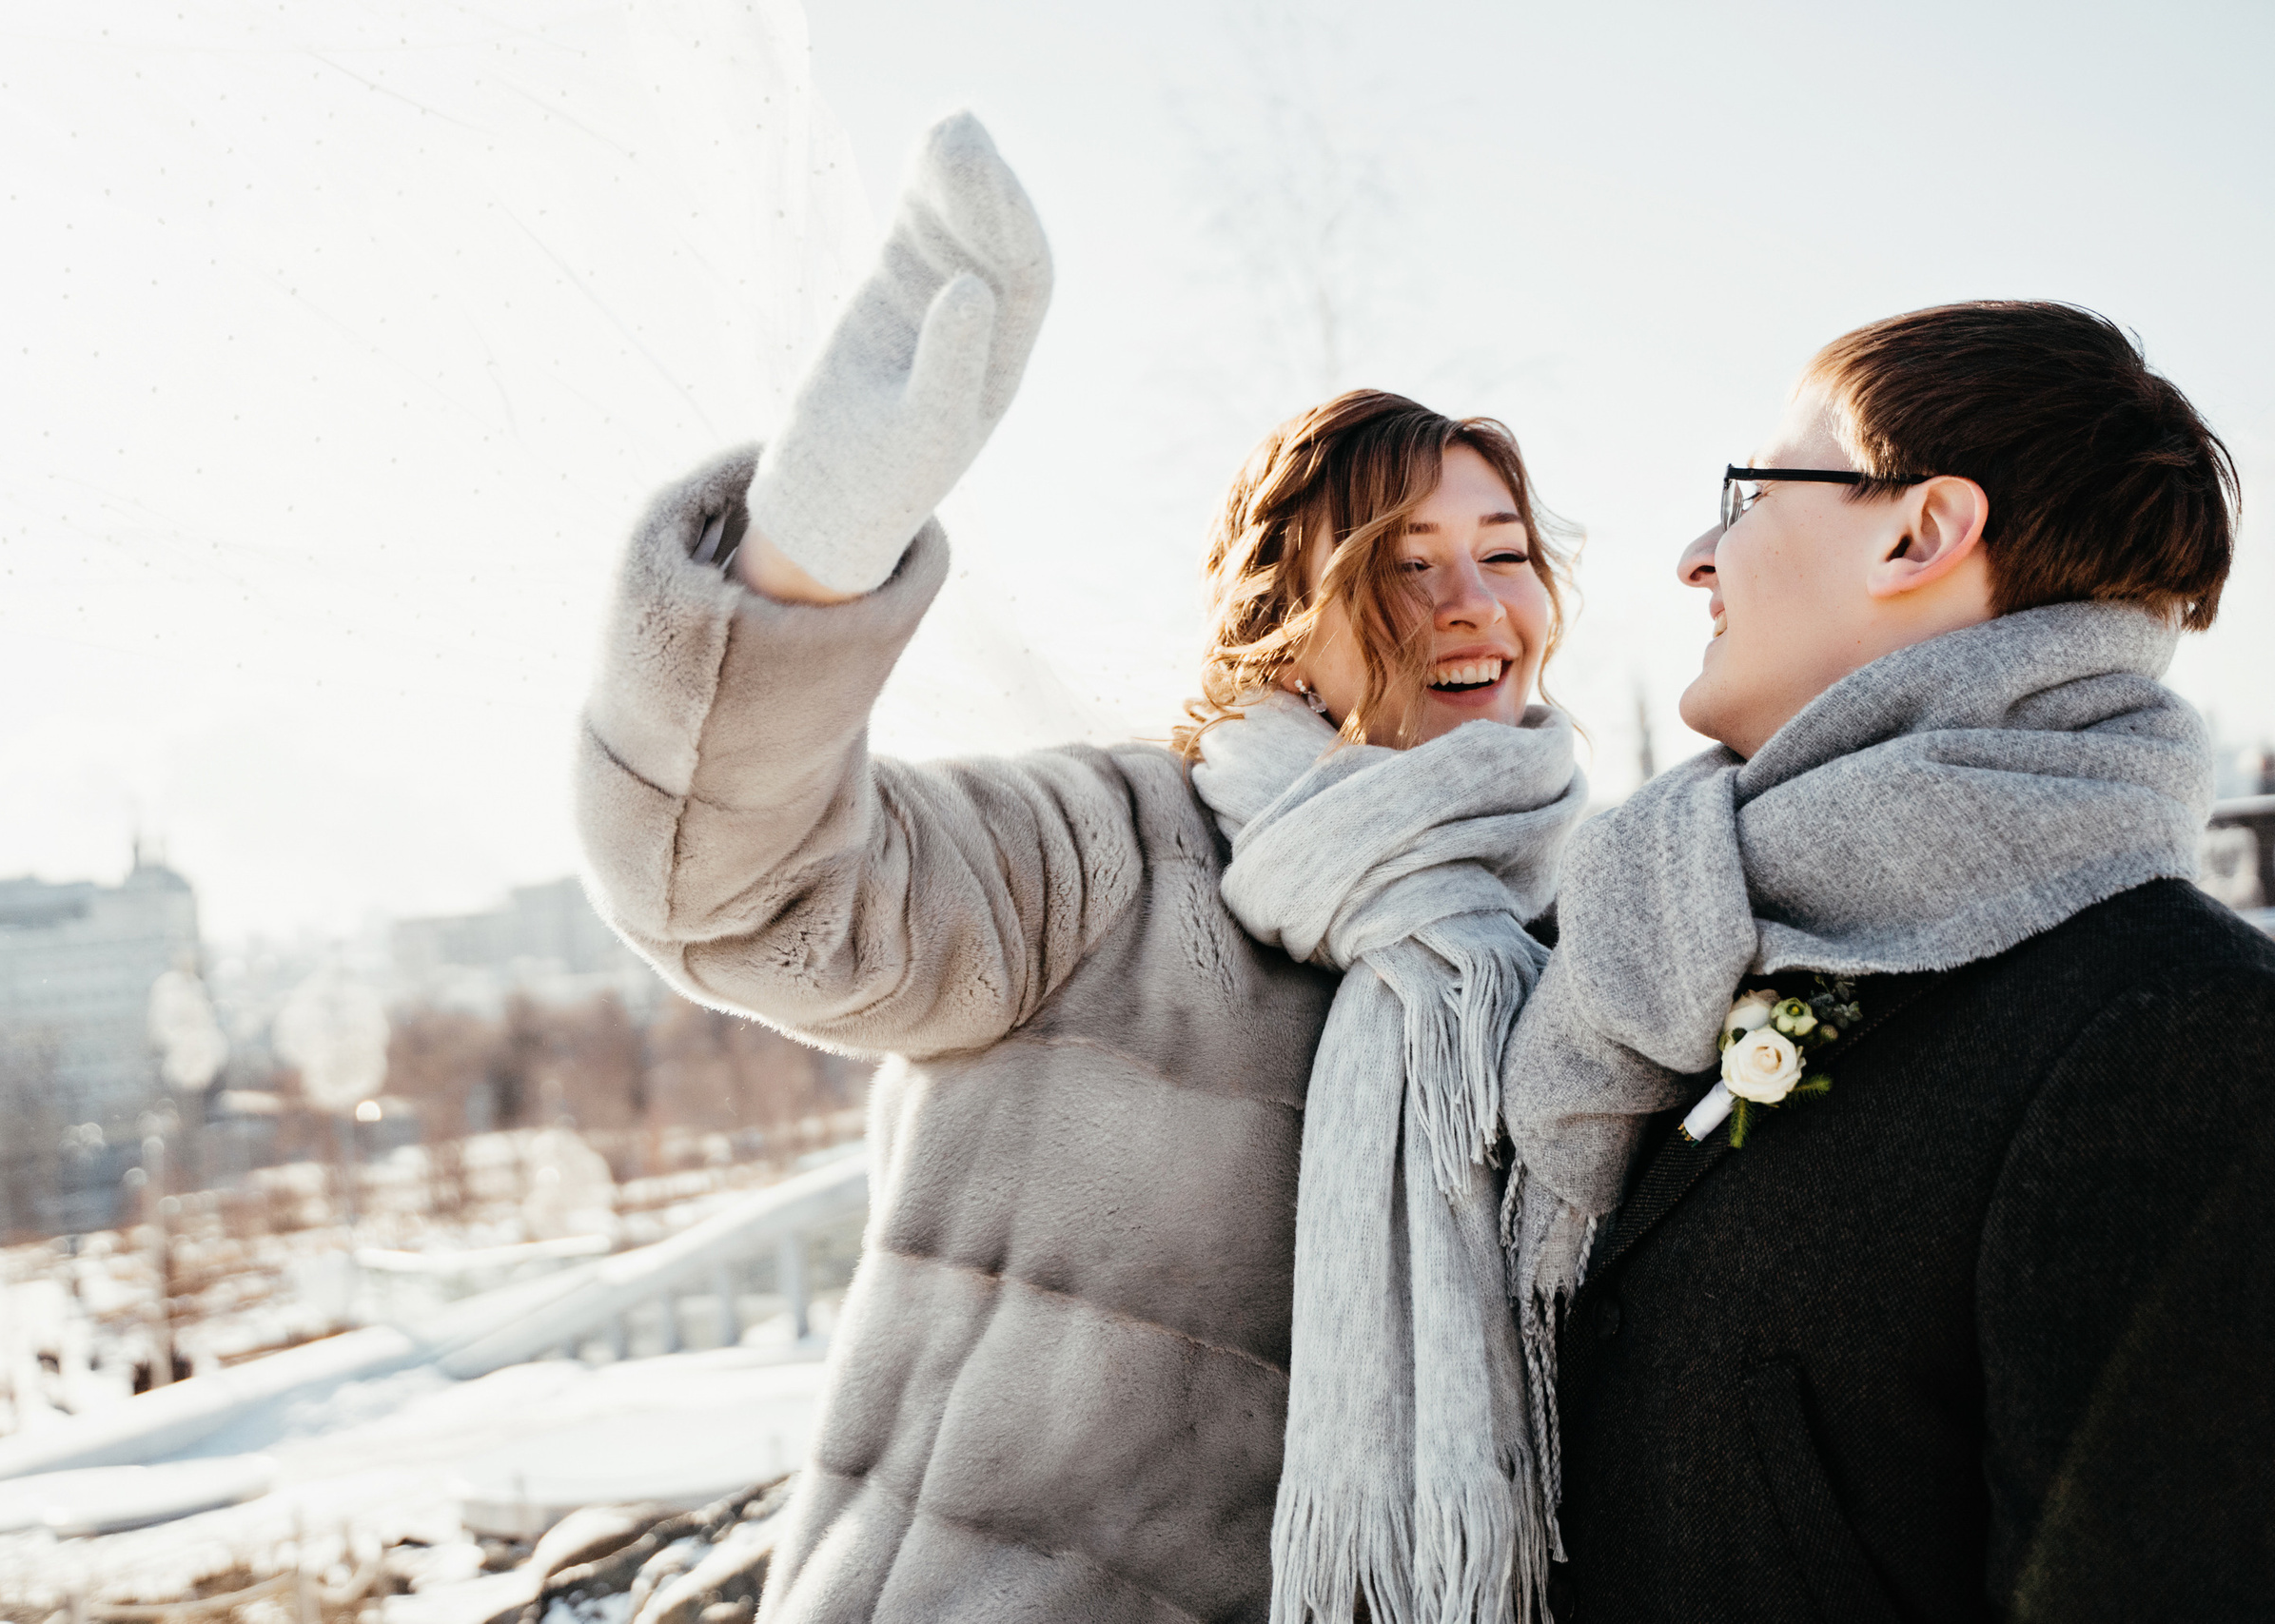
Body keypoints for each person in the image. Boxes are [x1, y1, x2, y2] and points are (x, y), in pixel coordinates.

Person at [575, 112, 1591, 1622]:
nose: (1470, 605)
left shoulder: (1549, 942)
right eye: (1398, 561)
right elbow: (732, 887)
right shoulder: (1110, 858)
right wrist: (807, 556)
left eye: (1504, 552)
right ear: (1278, 612)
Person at [1500, 301, 2275, 1622]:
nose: (1698, 555)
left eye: (1746, 497)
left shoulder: (2177, 1031)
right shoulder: (1679, 942)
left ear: (1921, 532)